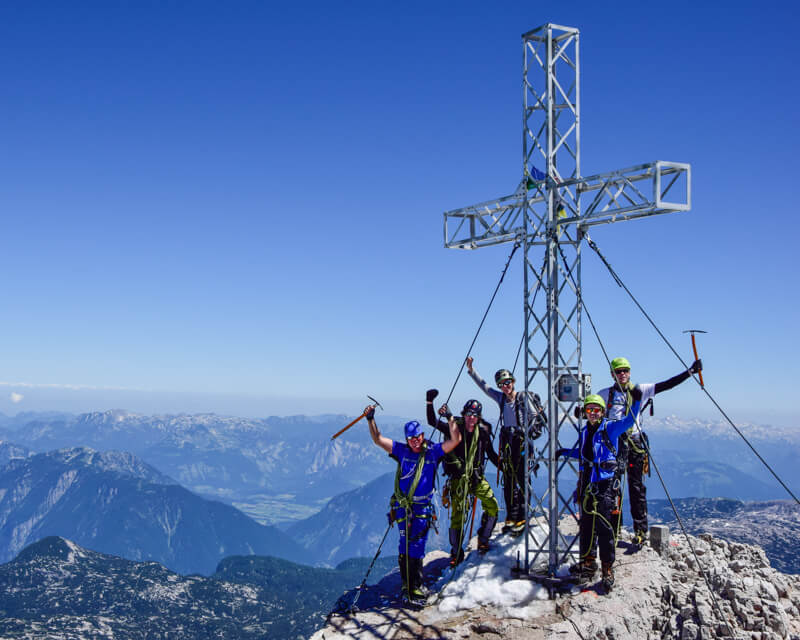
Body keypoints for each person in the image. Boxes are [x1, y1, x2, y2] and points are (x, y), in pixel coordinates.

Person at [598, 356, 702, 547]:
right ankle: (614, 529)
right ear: (612, 374)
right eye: (618, 371)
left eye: (625, 370)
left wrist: (690, 372)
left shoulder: (640, 390)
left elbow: (667, 385)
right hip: (614, 445)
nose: (622, 374)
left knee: (636, 488)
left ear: (629, 372)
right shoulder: (605, 395)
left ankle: (640, 531)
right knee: (613, 488)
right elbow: (594, 413)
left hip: (634, 444)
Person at [365, 404, 461, 605]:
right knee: (407, 543)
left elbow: (455, 440)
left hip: (420, 508)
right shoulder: (401, 450)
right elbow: (377, 439)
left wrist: (450, 417)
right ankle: (411, 587)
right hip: (404, 507)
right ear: (407, 439)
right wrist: (371, 419)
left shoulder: (433, 451)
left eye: (418, 437)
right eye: (411, 438)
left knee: (415, 544)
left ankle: (412, 586)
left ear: (423, 435)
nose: (415, 441)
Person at [556, 391, 642, 593]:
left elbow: (629, 421)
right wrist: (565, 452)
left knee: (604, 528)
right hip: (588, 484)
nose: (592, 413)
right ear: (585, 412)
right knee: (586, 526)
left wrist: (636, 401)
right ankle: (588, 562)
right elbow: (586, 455)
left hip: (604, 486)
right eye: (589, 410)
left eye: (596, 410)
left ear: (603, 412)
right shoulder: (586, 432)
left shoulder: (610, 428)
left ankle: (607, 569)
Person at [466, 357, 546, 535]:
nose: (505, 386)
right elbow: (485, 387)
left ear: (513, 382)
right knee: (509, 482)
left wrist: (524, 431)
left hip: (521, 443)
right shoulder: (501, 398)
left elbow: (535, 418)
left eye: (507, 382)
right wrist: (472, 371)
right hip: (509, 445)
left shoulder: (524, 398)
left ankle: (522, 517)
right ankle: (512, 517)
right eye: (502, 384)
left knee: (522, 480)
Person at [425, 393, 499, 565]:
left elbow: (491, 454)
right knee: (458, 516)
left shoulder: (483, 433)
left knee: (492, 506)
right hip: (459, 480)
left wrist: (505, 467)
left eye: (474, 415)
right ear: (464, 414)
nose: (471, 418)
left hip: (476, 477)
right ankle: (456, 553)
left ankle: (483, 538)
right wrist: (429, 402)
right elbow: (432, 421)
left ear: (478, 417)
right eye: (468, 414)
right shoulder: (455, 428)